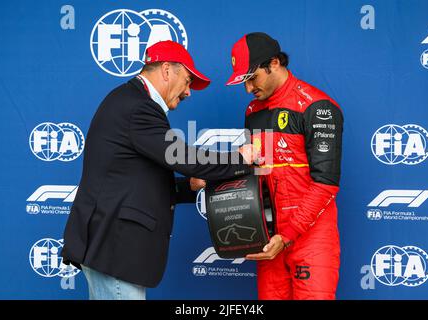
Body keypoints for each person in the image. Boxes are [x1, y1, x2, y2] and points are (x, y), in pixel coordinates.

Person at [61, 40, 255, 300]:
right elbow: (184, 157)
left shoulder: (131, 101)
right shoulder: (137, 107)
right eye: (187, 81)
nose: (188, 92)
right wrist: (239, 158)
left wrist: (190, 186)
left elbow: (137, 181)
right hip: (114, 250)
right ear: (166, 70)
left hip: (112, 250)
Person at [225, 32, 343, 300]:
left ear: (274, 63)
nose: (247, 89)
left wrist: (288, 235)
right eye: (243, 81)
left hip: (311, 237)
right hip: (269, 238)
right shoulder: (253, 112)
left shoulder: (317, 107)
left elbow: (326, 184)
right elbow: (254, 174)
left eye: (252, 78)